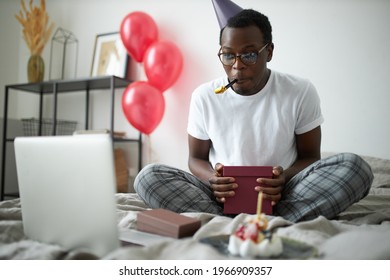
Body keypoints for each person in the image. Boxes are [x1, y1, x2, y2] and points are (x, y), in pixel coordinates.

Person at [134, 9, 373, 222]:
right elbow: (196, 159)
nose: (237, 66)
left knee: (355, 168)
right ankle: (258, 221)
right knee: (147, 177)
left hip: (283, 193)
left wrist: (284, 178)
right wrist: (212, 180)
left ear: (268, 52)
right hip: (220, 197)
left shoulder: (299, 90)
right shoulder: (204, 96)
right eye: (228, 55)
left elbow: (310, 156)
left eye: (248, 55)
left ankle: (232, 222)